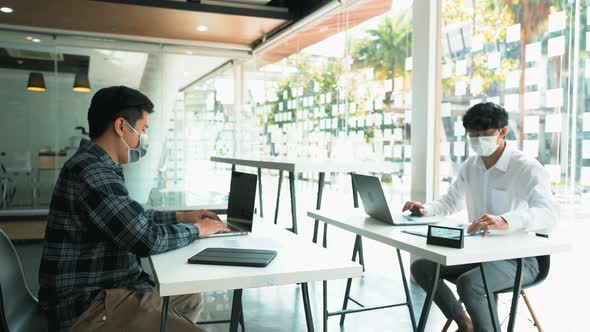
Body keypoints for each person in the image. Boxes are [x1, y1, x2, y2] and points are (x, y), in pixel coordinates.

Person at [38, 86, 230, 332]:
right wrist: (198, 229)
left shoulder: (100, 166)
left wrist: (181, 216)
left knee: (190, 297)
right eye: (143, 130)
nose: (143, 138)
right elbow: (145, 239)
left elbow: (132, 219)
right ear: (121, 127)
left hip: (111, 288)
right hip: (87, 306)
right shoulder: (92, 172)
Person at [403, 102, 558, 332]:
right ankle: (465, 324)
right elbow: (450, 202)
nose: (478, 141)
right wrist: (426, 209)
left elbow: (549, 214)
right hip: (479, 252)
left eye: (485, 135)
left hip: (521, 259)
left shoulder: (525, 167)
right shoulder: (471, 166)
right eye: (473, 136)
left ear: (503, 131)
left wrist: (506, 221)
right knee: (423, 267)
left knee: (471, 283)